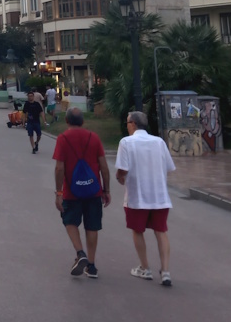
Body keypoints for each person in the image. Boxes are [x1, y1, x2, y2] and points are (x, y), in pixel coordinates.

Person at [116, 111, 177, 287]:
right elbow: (168, 167)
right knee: (161, 231)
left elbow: (123, 169)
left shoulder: (126, 142)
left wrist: (119, 177)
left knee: (137, 230)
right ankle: (165, 271)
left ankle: (145, 267)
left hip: (137, 196)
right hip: (159, 196)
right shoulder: (159, 142)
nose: (127, 125)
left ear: (133, 123)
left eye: (127, 122)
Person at [53, 107, 111, 279]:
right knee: (92, 226)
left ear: (67, 121)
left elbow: (59, 168)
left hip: (72, 191)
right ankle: (91, 266)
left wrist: (58, 192)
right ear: (83, 121)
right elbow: (104, 167)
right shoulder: (94, 137)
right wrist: (106, 190)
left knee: (69, 220)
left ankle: (80, 253)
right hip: (93, 190)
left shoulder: (63, 138)